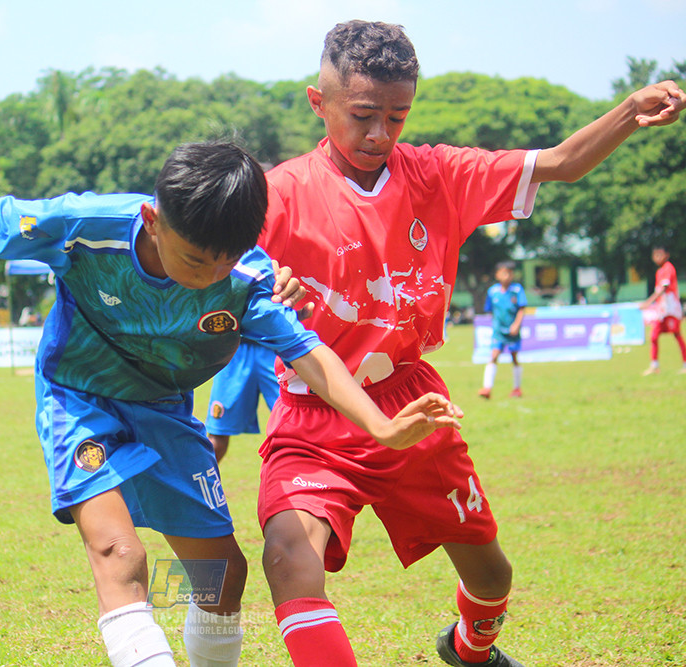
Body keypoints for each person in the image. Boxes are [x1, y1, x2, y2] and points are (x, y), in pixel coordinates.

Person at [0, 141, 462, 667]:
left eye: (224, 262)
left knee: (223, 579)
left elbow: (310, 354)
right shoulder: (88, 226)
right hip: (79, 399)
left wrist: (381, 425)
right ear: (153, 219)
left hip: (165, 411)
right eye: (194, 259)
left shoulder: (250, 281)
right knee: (122, 554)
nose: (209, 276)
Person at [254, 20, 685, 667]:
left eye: (397, 117)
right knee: (288, 557)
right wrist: (257, 285)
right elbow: (212, 272)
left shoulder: (439, 173)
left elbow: (562, 162)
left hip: (412, 404)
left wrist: (631, 110)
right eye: (363, 115)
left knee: (492, 576)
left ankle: (471, 648)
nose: (380, 134)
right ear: (319, 102)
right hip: (315, 411)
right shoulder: (276, 195)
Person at [205, 340, 280, 461]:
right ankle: (202, 473)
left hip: (277, 346)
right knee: (218, 432)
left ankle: (302, 473)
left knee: (295, 425)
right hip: (235, 349)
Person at [479, 261, 527, 399]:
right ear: (497, 275)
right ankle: (487, 388)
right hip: (498, 331)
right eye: (504, 273)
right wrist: (495, 325)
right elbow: (490, 310)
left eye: (510, 273)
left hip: (512, 331)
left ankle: (517, 388)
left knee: (514, 357)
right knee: (494, 356)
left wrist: (516, 325)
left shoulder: (517, 290)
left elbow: (521, 309)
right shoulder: (492, 291)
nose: (507, 276)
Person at [640, 245, 686, 375]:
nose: (657, 257)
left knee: (677, 335)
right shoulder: (659, 271)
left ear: (667, 255)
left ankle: (685, 364)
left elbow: (663, 289)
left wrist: (648, 302)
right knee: (654, 336)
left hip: (671, 310)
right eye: (655, 255)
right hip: (662, 311)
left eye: (660, 254)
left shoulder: (668, 268)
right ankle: (654, 365)